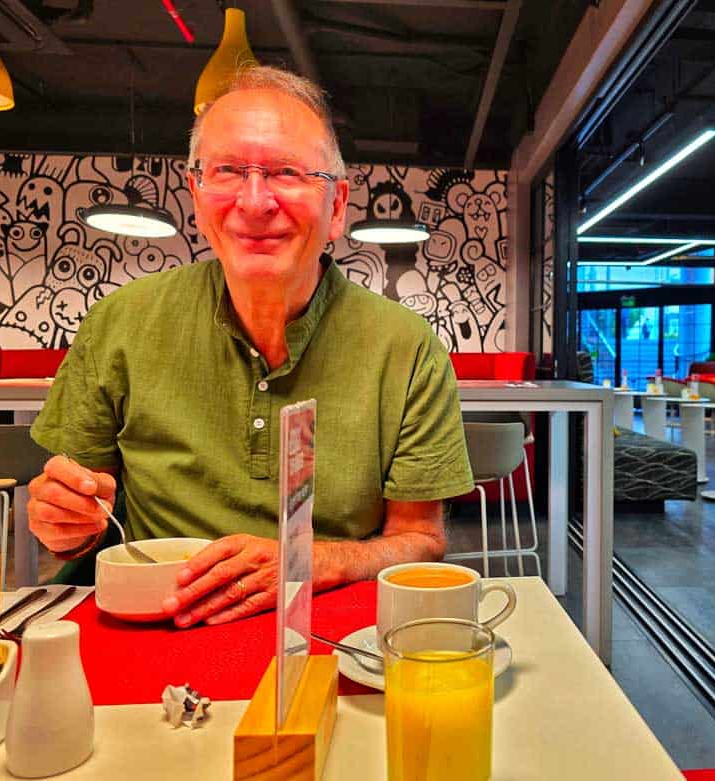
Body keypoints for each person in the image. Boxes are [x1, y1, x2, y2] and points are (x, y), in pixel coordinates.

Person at [26, 66, 474, 628]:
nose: (255, 201)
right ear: (196, 194)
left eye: (287, 172)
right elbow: (75, 524)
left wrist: (312, 560)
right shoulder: (118, 323)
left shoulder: (407, 349)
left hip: (330, 632)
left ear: (336, 206)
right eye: (229, 171)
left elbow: (420, 541)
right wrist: (63, 522)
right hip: (154, 625)